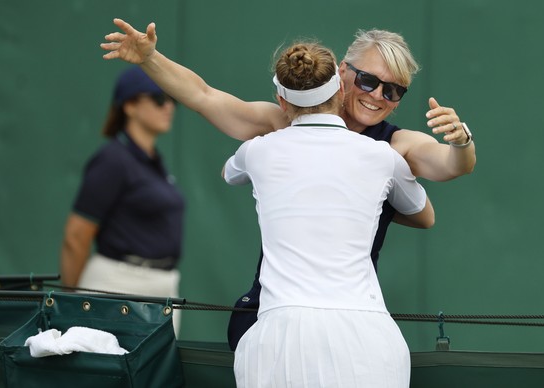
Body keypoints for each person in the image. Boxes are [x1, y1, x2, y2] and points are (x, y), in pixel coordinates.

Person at [100, 19, 476, 347]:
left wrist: (462, 141)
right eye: (368, 80)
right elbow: (205, 97)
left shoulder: (393, 147)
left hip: (345, 314)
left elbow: (449, 165)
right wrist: (150, 58)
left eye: (392, 91)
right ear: (342, 72)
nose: (377, 95)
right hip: (273, 310)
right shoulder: (285, 123)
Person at [223, 41, 434, 387]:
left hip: (278, 342)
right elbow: (423, 212)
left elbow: (229, 171)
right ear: (340, 86)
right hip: (369, 343)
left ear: (281, 100)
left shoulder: (257, 151)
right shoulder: (384, 157)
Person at [59, 65, 185, 334]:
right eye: (159, 98)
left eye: (172, 99)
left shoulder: (155, 164)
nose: (169, 107)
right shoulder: (113, 160)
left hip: (163, 290)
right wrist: (71, 302)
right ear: (129, 105)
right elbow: (76, 236)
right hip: (118, 286)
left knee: (160, 376)